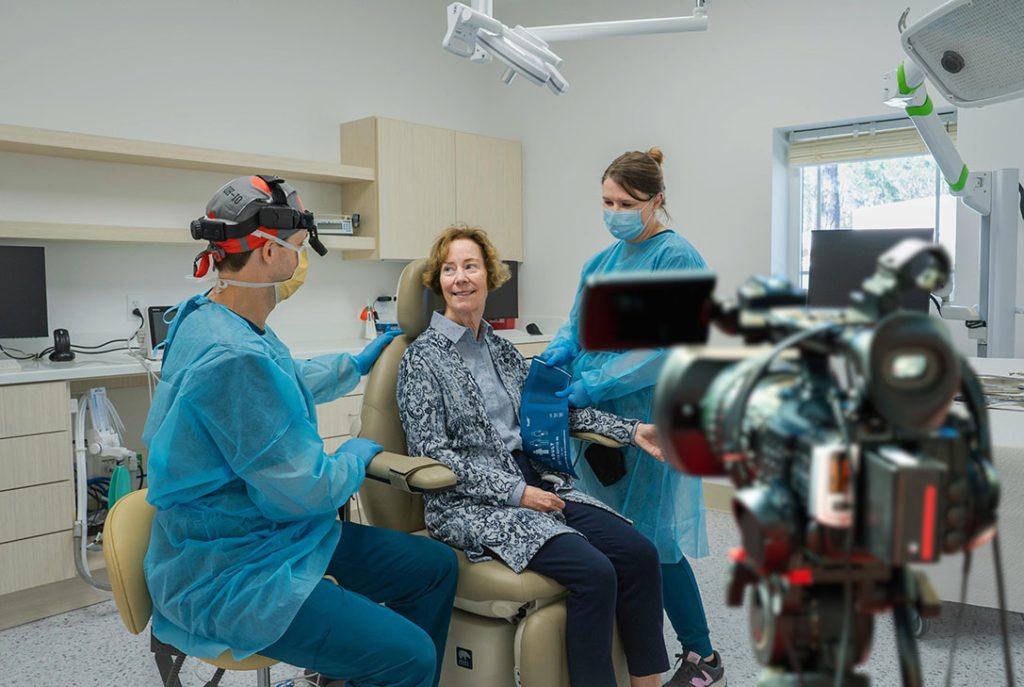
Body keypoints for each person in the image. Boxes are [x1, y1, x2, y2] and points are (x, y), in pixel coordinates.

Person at [143, 175, 458, 687]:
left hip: (267, 534)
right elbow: (308, 491)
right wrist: (354, 457)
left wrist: (353, 365)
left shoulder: (212, 315)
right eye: (296, 248)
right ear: (268, 253)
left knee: (434, 567)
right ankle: (391, 671)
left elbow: (279, 379)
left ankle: (359, 674)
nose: (300, 261)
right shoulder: (233, 355)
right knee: (411, 656)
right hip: (234, 571)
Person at [397, 225, 671, 687]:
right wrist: (515, 492)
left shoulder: (502, 351)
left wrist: (630, 430)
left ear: (489, 276)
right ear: (437, 281)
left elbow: (552, 415)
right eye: (448, 269)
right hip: (472, 504)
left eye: (470, 266)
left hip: (539, 485)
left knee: (640, 554)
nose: (460, 278)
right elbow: (435, 456)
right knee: (595, 572)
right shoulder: (420, 361)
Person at [540, 149, 726, 687]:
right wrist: (556, 356)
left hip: (652, 419)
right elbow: (576, 327)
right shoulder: (600, 263)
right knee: (607, 534)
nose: (614, 211)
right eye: (607, 201)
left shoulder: (677, 258)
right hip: (598, 421)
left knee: (652, 542)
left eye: (626, 202)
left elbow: (667, 350)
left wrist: (594, 382)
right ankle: (633, 641)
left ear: (657, 200)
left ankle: (703, 656)